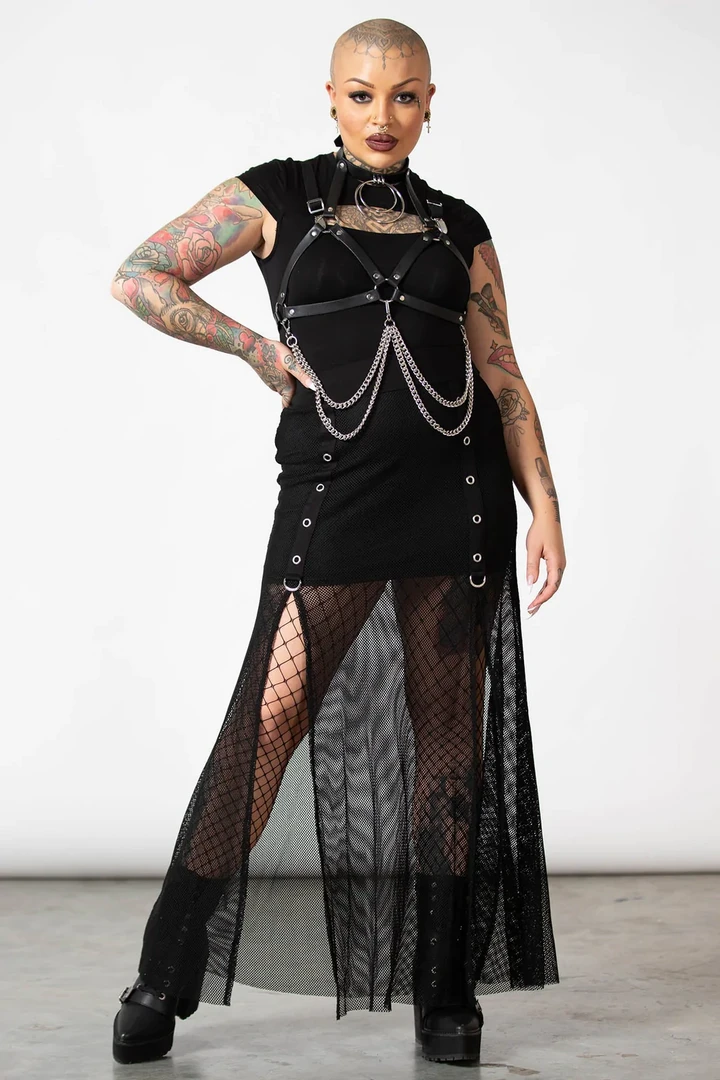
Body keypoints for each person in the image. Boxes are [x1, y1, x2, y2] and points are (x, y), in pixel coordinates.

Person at [109, 17, 565, 1068]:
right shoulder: (275, 195)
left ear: (431, 102)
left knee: (449, 743)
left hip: (458, 500)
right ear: (331, 96)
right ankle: (163, 974)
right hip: (333, 500)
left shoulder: (459, 225)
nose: (382, 116)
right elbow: (140, 275)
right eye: (363, 95)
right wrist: (251, 347)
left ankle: (446, 994)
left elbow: (501, 372)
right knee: (265, 726)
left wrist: (545, 503)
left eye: (404, 96)